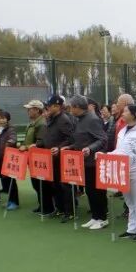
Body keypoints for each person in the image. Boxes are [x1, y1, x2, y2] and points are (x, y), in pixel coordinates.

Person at [102, 105, 136, 241]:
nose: (123, 113)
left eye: (126, 111)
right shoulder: (122, 131)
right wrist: (106, 155)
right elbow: (119, 151)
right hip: (123, 171)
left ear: (134, 115)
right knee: (129, 202)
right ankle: (131, 229)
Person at [63, 95, 109, 230]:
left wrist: (90, 148)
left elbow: (103, 139)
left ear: (77, 107)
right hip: (83, 162)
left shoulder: (92, 119)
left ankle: (102, 218)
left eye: (71, 107)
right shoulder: (79, 119)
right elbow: (81, 140)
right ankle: (95, 217)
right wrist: (70, 147)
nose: (70, 109)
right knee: (89, 191)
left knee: (97, 191)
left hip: (94, 162)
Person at [43, 94, 75, 222]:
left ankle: (69, 212)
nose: (48, 108)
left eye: (50, 106)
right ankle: (60, 208)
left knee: (64, 185)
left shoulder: (63, 119)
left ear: (57, 106)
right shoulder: (51, 119)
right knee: (55, 184)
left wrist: (59, 148)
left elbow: (70, 139)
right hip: (52, 158)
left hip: (62, 158)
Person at [21, 100, 51, 214]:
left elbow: (40, 142)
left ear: (37, 110)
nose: (28, 111)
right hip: (32, 158)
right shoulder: (33, 123)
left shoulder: (41, 123)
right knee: (36, 183)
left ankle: (47, 208)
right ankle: (42, 205)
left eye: (30, 109)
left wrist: (26, 147)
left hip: (39, 158)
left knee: (41, 184)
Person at [0, 110, 19, 210]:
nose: (1, 120)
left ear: (8, 119)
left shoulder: (11, 129)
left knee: (11, 181)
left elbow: (13, 139)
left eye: (3, 118)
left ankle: (15, 202)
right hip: (0, 159)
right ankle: (10, 200)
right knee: (5, 182)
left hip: (9, 159)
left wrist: (9, 143)